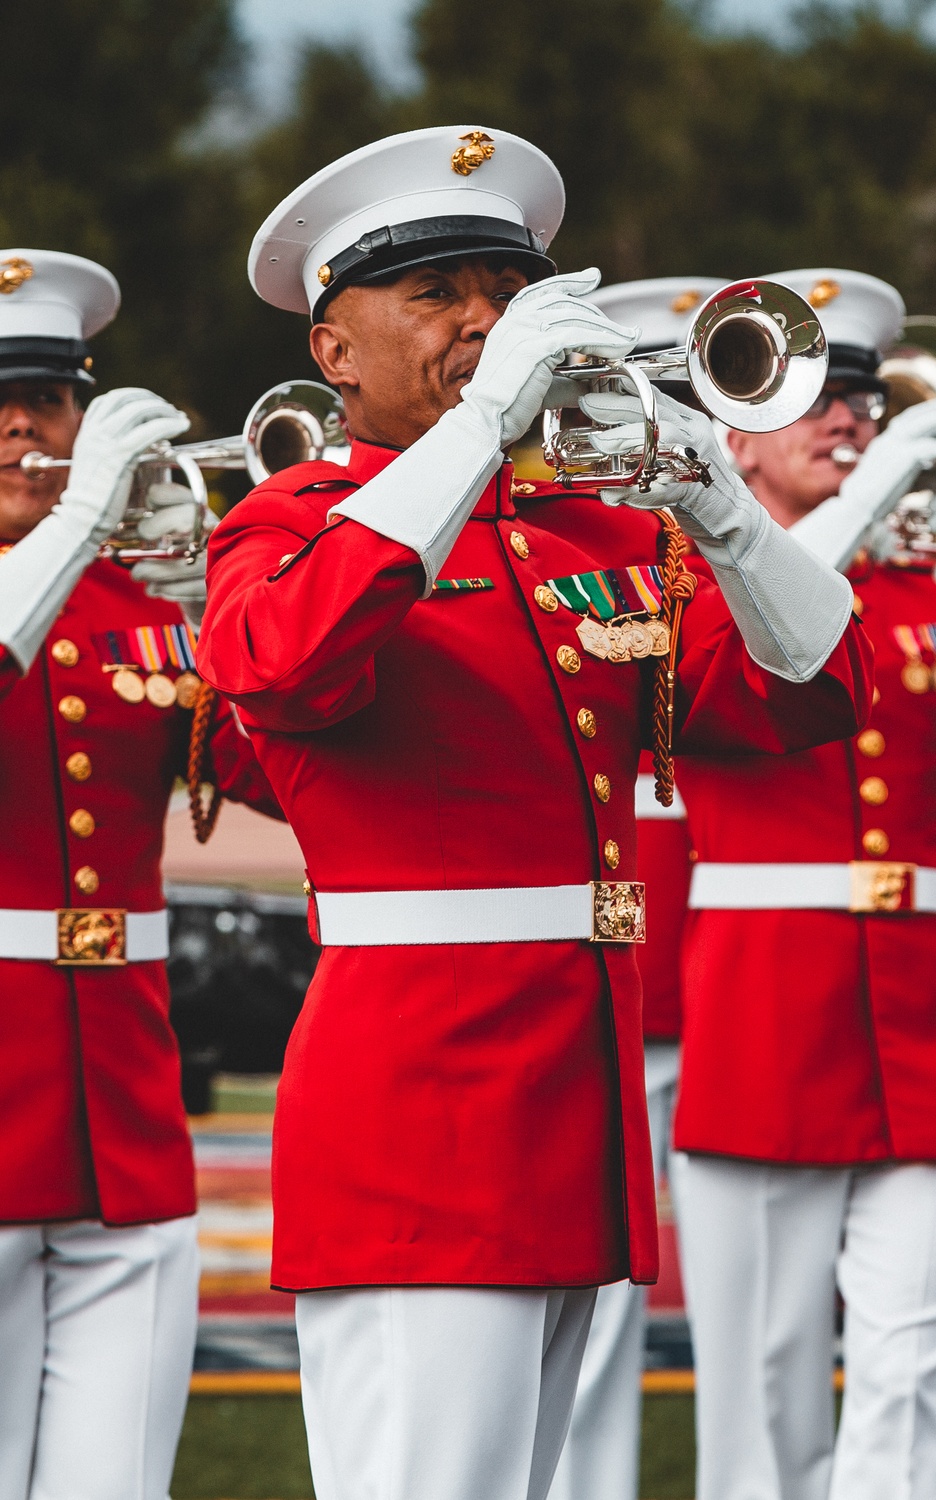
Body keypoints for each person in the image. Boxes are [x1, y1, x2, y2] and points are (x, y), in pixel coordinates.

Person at [196, 130, 872, 1500]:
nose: (482, 320)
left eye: (502, 290)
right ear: (335, 351)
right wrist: (475, 429)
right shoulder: (289, 523)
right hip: (419, 1123)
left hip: (578, 1113)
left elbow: (811, 697)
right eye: (436, 292)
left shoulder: (592, 532)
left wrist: (718, 498)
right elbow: (278, 664)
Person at [645, 266, 936, 1500]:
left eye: (862, 397)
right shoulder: (680, 586)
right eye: (816, 398)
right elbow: (766, 630)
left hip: (933, 1019)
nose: (849, 418)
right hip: (766, 1020)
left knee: (909, 1362)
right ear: (730, 428)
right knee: (766, 1381)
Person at [0, 249, 280, 1500]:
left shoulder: (142, 603)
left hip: (126, 1107)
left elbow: (288, 776)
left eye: (50, 398)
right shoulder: (74, 561)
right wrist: (73, 523)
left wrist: (253, 586)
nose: (22, 422)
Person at [547, 276, 726, 1500]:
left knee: (619, 1293)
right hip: (592, 974)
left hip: (708, 982)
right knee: (575, 1315)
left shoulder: (680, 552)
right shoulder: (562, 548)